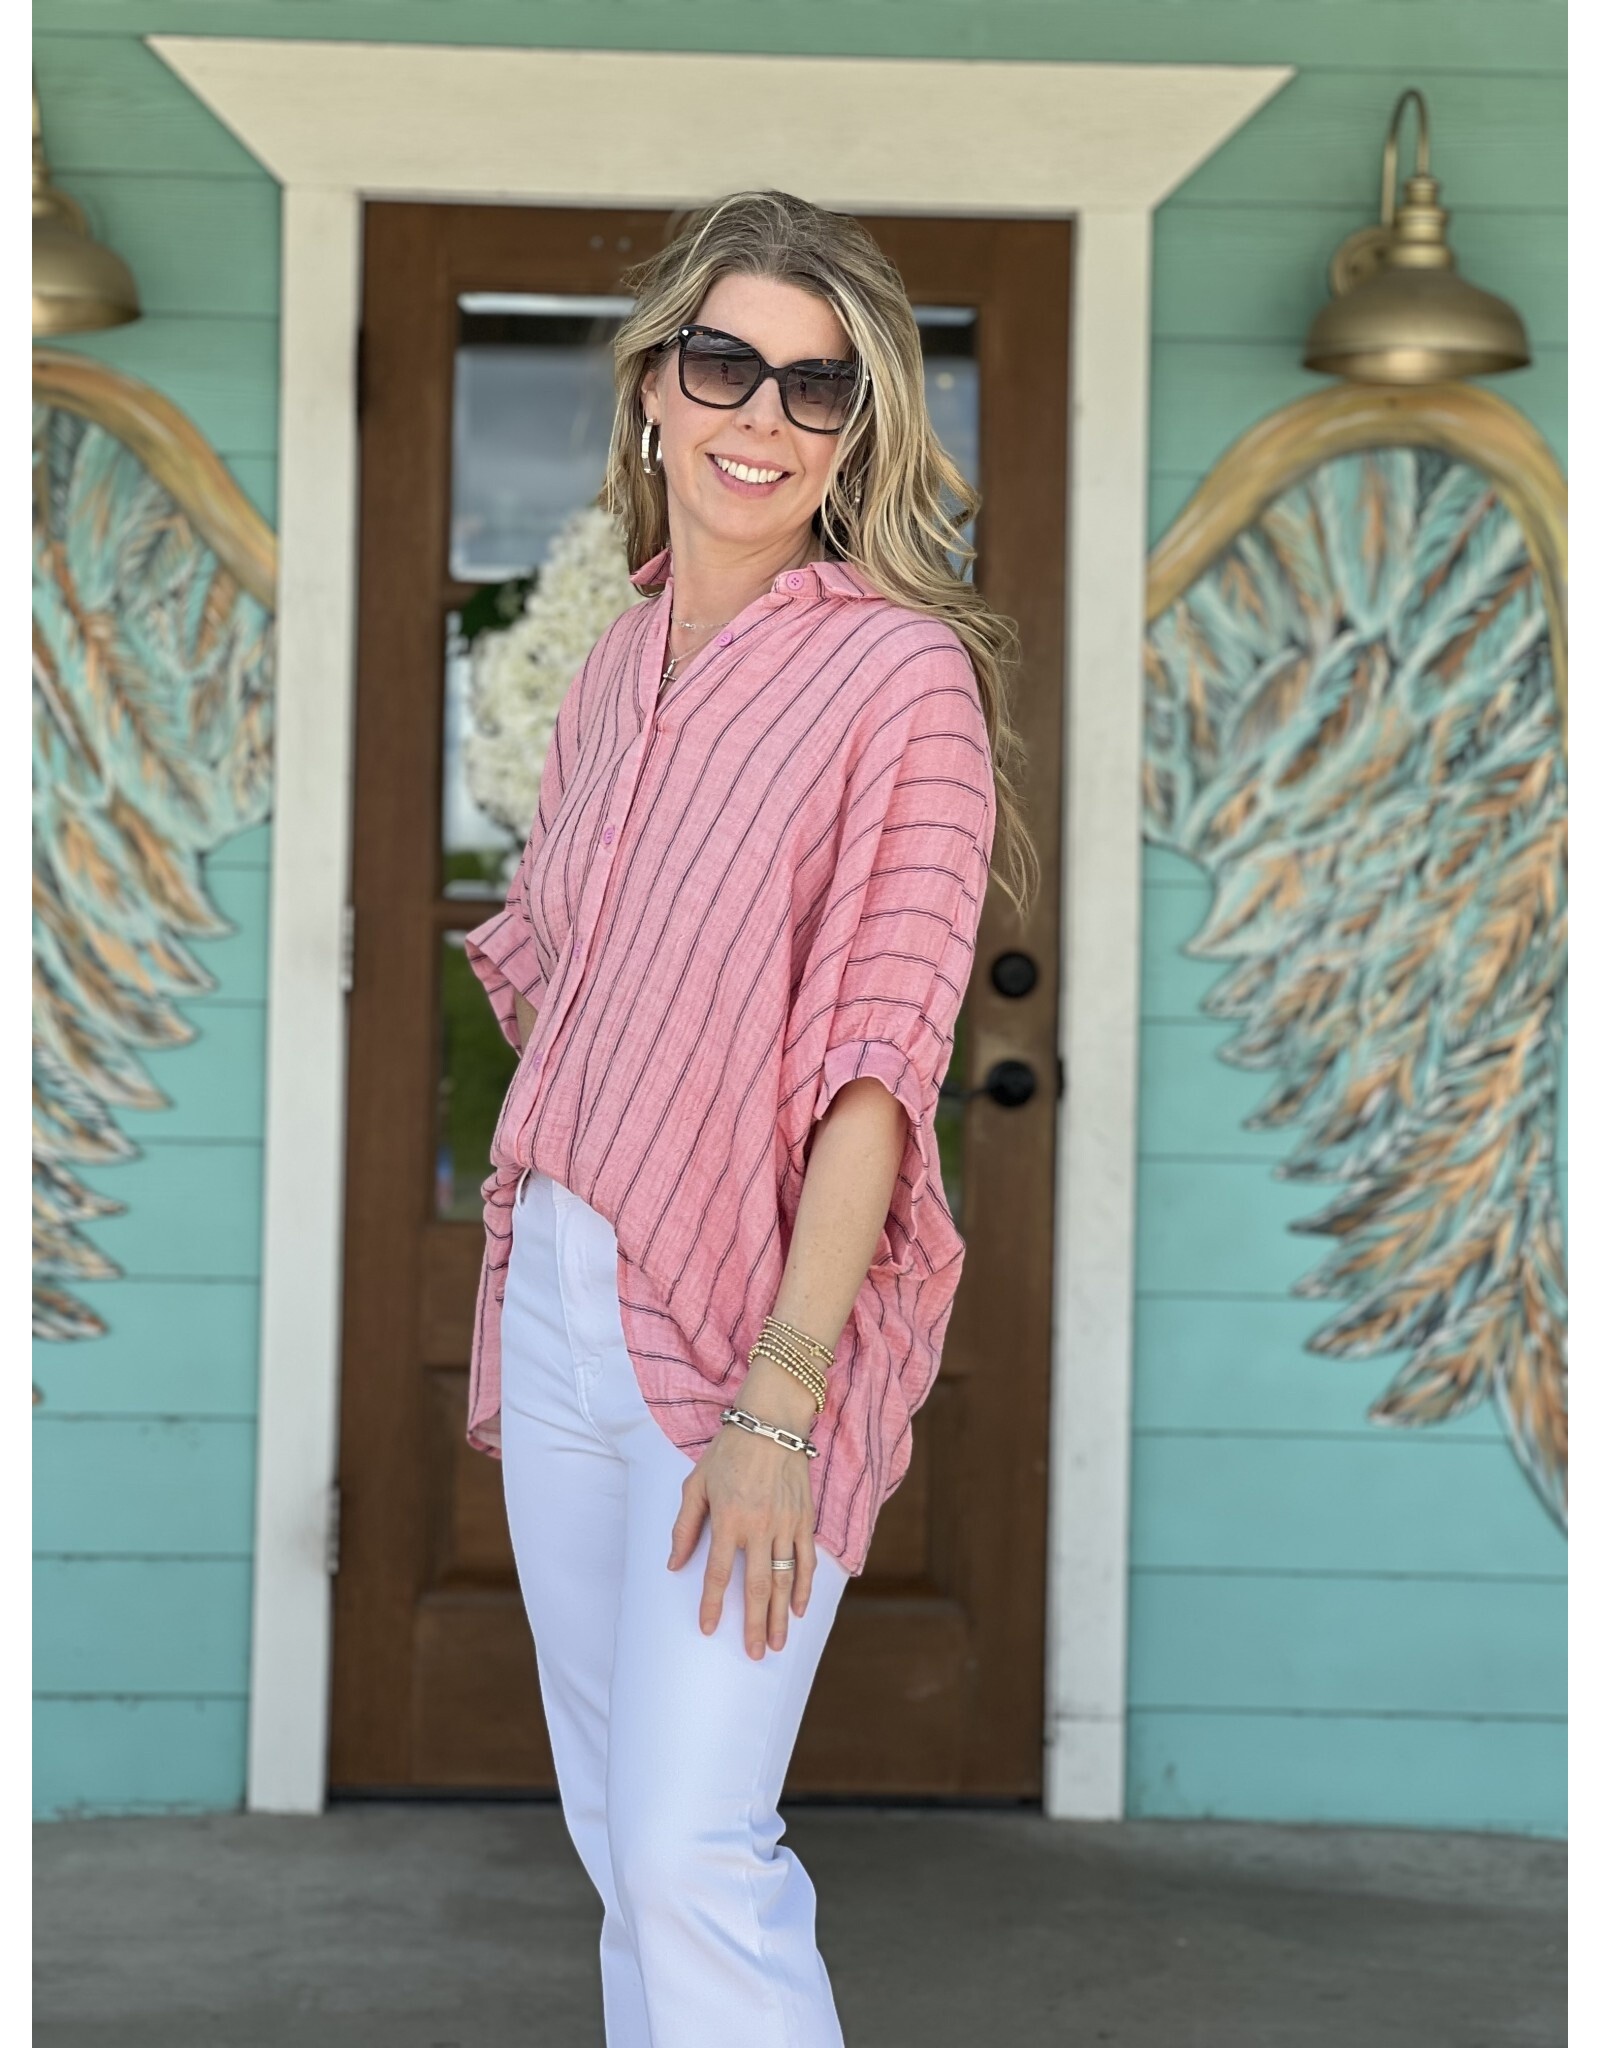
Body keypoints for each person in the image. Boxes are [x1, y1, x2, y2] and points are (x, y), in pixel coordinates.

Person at [462, 188, 1033, 2048]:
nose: (761, 416)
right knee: (626, 1835)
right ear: (653, 387)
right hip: (561, 1279)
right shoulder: (618, 667)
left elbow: (880, 1061)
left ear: (860, 430)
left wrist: (782, 1401)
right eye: (726, 363)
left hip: (749, 1328)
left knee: (698, 1842)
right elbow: (566, 966)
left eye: (818, 386)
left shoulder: (900, 679)